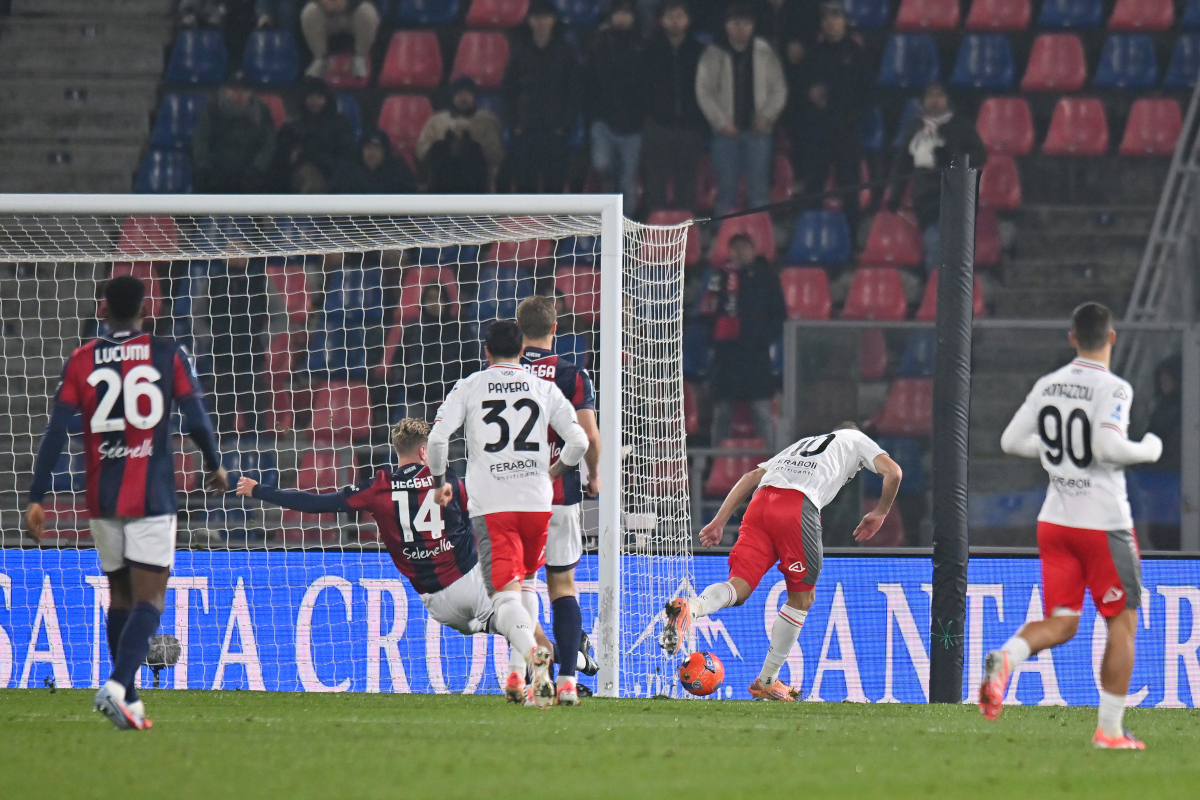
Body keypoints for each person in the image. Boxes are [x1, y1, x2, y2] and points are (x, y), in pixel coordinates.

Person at [235, 419, 599, 695]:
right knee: (520, 582)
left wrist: (260, 490)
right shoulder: (447, 481)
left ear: (399, 450)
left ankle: (564, 664)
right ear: (426, 451)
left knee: (515, 620)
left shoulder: (376, 487)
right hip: (470, 581)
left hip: (436, 605)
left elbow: (319, 504)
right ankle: (556, 665)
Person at [25, 275, 228, 730]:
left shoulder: (81, 358)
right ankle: (117, 686)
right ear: (145, 308)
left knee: (119, 595)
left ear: (102, 309)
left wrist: (37, 495)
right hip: (151, 493)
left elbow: (57, 430)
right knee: (151, 598)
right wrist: (215, 463)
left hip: (100, 495)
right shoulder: (166, 352)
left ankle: (130, 703)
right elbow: (195, 416)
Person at [982, 303, 1161, 749]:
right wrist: (1150, 449)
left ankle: (1007, 657)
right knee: (1121, 623)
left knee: (1063, 622)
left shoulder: (1048, 384)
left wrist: (1056, 452)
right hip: (1102, 524)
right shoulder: (1114, 388)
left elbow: (1010, 441)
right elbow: (1106, 445)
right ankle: (1110, 731)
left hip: (1055, 522)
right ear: (1112, 337)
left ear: (1072, 338)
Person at [661, 423, 902, 701]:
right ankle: (767, 680)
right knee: (802, 599)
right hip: (796, 508)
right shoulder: (854, 438)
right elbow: (893, 472)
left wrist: (718, 521)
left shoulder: (803, 444)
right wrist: (881, 512)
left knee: (738, 587)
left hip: (760, 504)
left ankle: (691, 608)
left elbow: (751, 476)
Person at [427, 320, 590, 706]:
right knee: (527, 585)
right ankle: (520, 677)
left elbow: (436, 440)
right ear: (521, 351)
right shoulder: (543, 387)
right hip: (536, 504)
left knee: (504, 597)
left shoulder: (470, 385)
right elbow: (579, 441)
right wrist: (554, 471)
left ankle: (538, 661)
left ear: (486, 351)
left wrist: (438, 482)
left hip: (493, 506)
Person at [516, 296, 602, 694]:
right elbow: (588, 438)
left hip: (512, 495)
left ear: (520, 331)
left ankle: (537, 674)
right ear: (555, 329)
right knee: (562, 586)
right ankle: (569, 678)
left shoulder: (502, 373)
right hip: (559, 493)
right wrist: (594, 476)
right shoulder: (571, 374)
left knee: (518, 587)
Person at [695, 3, 787, 215]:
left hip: (759, 133)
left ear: (753, 26)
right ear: (727, 25)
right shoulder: (713, 53)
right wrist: (721, 122)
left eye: (746, 23)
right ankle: (722, 241)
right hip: (726, 134)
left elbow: (779, 89)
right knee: (726, 193)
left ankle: (762, 242)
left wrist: (766, 117)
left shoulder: (765, 52)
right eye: (736, 23)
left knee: (759, 194)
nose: (741, 28)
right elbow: (704, 92)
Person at [695, 233, 786, 447]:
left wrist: (761, 338)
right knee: (722, 414)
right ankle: (716, 462)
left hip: (756, 356)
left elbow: (779, 315)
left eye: (744, 247)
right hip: (726, 357)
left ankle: (771, 464)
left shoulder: (767, 277)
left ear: (753, 250)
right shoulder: (719, 277)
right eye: (735, 247)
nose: (740, 252)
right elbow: (708, 313)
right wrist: (715, 341)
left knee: (762, 412)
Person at [887, 82, 987, 274]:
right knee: (935, 245)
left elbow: (980, 155)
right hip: (925, 198)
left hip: (953, 196)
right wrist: (895, 195)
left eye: (939, 96)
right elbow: (902, 164)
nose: (934, 101)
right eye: (930, 96)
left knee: (937, 247)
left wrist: (952, 159)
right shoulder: (916, 127)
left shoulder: (961, 125)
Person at [793, 1, 873, 234]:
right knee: (813, 190)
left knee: (849, 188)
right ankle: (810, 236)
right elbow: (798, 90)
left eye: (836, 18)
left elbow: (868, 94)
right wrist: (809, 94)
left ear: (845, 22)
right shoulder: (813, 55)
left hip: (846, 132)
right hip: (818, 133)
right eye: (827, 19)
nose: (831, 23)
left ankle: (852, 237)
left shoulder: (858, 55)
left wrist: (852, 119)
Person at [502, 0, 581, 194]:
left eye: (545, 17)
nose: (541, 22)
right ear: (529, 21)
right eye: (536, 17)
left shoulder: (565, 52)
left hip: (555, 132)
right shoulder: (519, 51)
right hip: (526, 130)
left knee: (554, 188)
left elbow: (574, 92)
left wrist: (563, 125)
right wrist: (515, 125)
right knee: (524, 188)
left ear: (554, 20)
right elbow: (508, 91)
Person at [641, 0, 706, 212]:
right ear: (661, 20)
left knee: (687, 183)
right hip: (657, 125)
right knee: (655, 183)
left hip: (689, 125)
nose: (675, 21)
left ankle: (687, 234)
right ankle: (654, 234)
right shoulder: (649, 49)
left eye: (680, 16)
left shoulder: (699, 51)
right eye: (670, 16)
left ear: (688, 19)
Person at [584, 0, 644, 212]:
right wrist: (594, 116)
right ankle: (606, 222)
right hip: (603, 120)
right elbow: (589, 82)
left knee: (628, 181)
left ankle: (626, 231)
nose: (622, 18)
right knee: (602, 165)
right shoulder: (597, 44)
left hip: (634, 125)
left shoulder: (643, 45)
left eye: (626, 13)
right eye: (618, 13)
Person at [394, 284, 479, 423]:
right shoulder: (413, 329)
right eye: (430, 298)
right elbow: (399, 360)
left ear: (446, 302)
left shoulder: (459, 330)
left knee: (449, 443)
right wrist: (407, 382)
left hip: (450, 399)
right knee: (414, 441)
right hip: (417, 396)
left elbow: (470, 362)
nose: (434, 303)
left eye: (439, 299)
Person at [207, 251, 271, 435]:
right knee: (220, 425)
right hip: (222, 361)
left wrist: (263, 338)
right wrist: (210, 338)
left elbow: (279, 314)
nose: (236, 256)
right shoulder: (214, 281)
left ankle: (257, 461)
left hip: (251, 362)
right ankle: (218, 462)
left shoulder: (260, 280)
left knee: (257, 424)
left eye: (239, 251)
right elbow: (197, 313)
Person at [192, 72, 276, 194]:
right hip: (217, 172)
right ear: (226, 90)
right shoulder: (213, 110)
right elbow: (201, 140)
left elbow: (268, 145)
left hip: (250, 173)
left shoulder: (262, 112)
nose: (239, 94)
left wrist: (257, 168)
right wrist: (205, 166)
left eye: (244, 90)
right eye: (234, 89)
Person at [417, 78, 505, 193]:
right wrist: (445, 137)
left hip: (476, 182)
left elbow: (496, 156)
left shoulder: (487, 121)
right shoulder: (437, 120)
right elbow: (421, 152)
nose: (463, 98)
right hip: (442, 181)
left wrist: (472, 134)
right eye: (459, 94)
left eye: (467, 93)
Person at [272, 78, 357, 193]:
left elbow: (345, 153)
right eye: (311, 97)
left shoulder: (339, 124)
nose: (315, 102)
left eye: (319, 97)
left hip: (331, 172)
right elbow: (283, 154)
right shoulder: (293, 125)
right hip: (298, 171)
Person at [300, 0, 379, 79]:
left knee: (367, 11)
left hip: (354, 13)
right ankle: (320, 59)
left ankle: (360, 59)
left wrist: (347, 3)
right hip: (325, 15)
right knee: (310, 11)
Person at [330, 130, 417, 194]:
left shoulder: (399, 172)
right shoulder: (347, 172)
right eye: (368, 148)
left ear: (385, 151)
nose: (372, 153)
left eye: (376, 148)